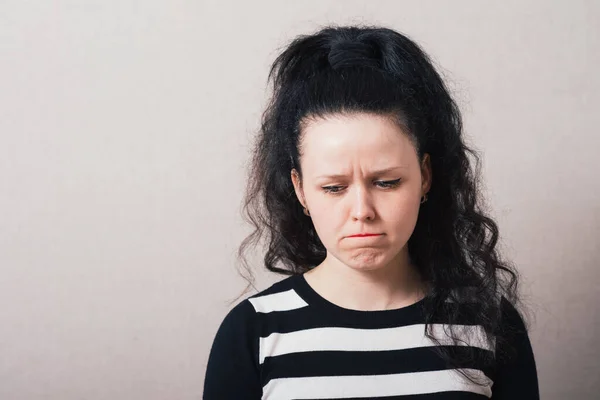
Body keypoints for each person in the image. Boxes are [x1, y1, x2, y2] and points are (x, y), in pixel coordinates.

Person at [203, 24, 539, 399]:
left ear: (425, 176)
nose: (361, 211)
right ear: (300, 189)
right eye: (333, 187)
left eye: (387, 182)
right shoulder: (255, 332)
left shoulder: (488, 322)